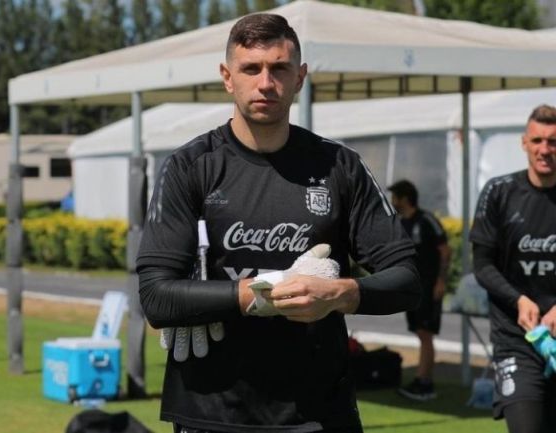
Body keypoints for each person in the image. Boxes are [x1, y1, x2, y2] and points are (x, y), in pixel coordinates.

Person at [136, 13, 421, 433]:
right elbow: (156, 298)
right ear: (227, 77)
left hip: (319, 411)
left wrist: (341, 292)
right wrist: (269, 290)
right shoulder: (190, 166)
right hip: (212, 412)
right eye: (251, 68)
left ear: (300, 76)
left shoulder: (340, 166)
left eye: (279, 68)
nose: (265, 83)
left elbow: (408, 279)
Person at [471, 104, 556, 433]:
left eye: (552, 141)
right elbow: (482, 265)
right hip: (516, 341)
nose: (544, 149)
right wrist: (518, 299)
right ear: (524, 143)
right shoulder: (499, 191)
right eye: (537, 141)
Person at [388, 180, 451, 401]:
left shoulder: (427, 220)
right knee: (419, 331)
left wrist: (441, 281)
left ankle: (425, 383)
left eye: (395, 196)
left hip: (429, 287)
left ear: (405, 198)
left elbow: (445, 250)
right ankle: (421, 379)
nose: (392, 201)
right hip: (411, 288)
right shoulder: (399, 223)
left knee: (426, 333)